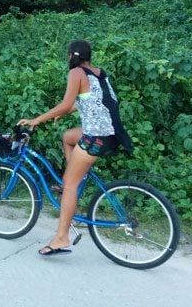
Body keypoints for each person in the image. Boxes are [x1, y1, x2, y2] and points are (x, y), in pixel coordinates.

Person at [18, 39, 132, 256]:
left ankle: (61, 237)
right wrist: (63, 113)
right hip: (111, 133)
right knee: (68, 136)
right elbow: (90, 100)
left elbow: (65, 102)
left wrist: (36, 120)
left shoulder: (76, 73)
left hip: (96, 136)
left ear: (72, 56)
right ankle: (73, 180)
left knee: (69, 185)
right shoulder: (98, 73)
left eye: (68, 55)